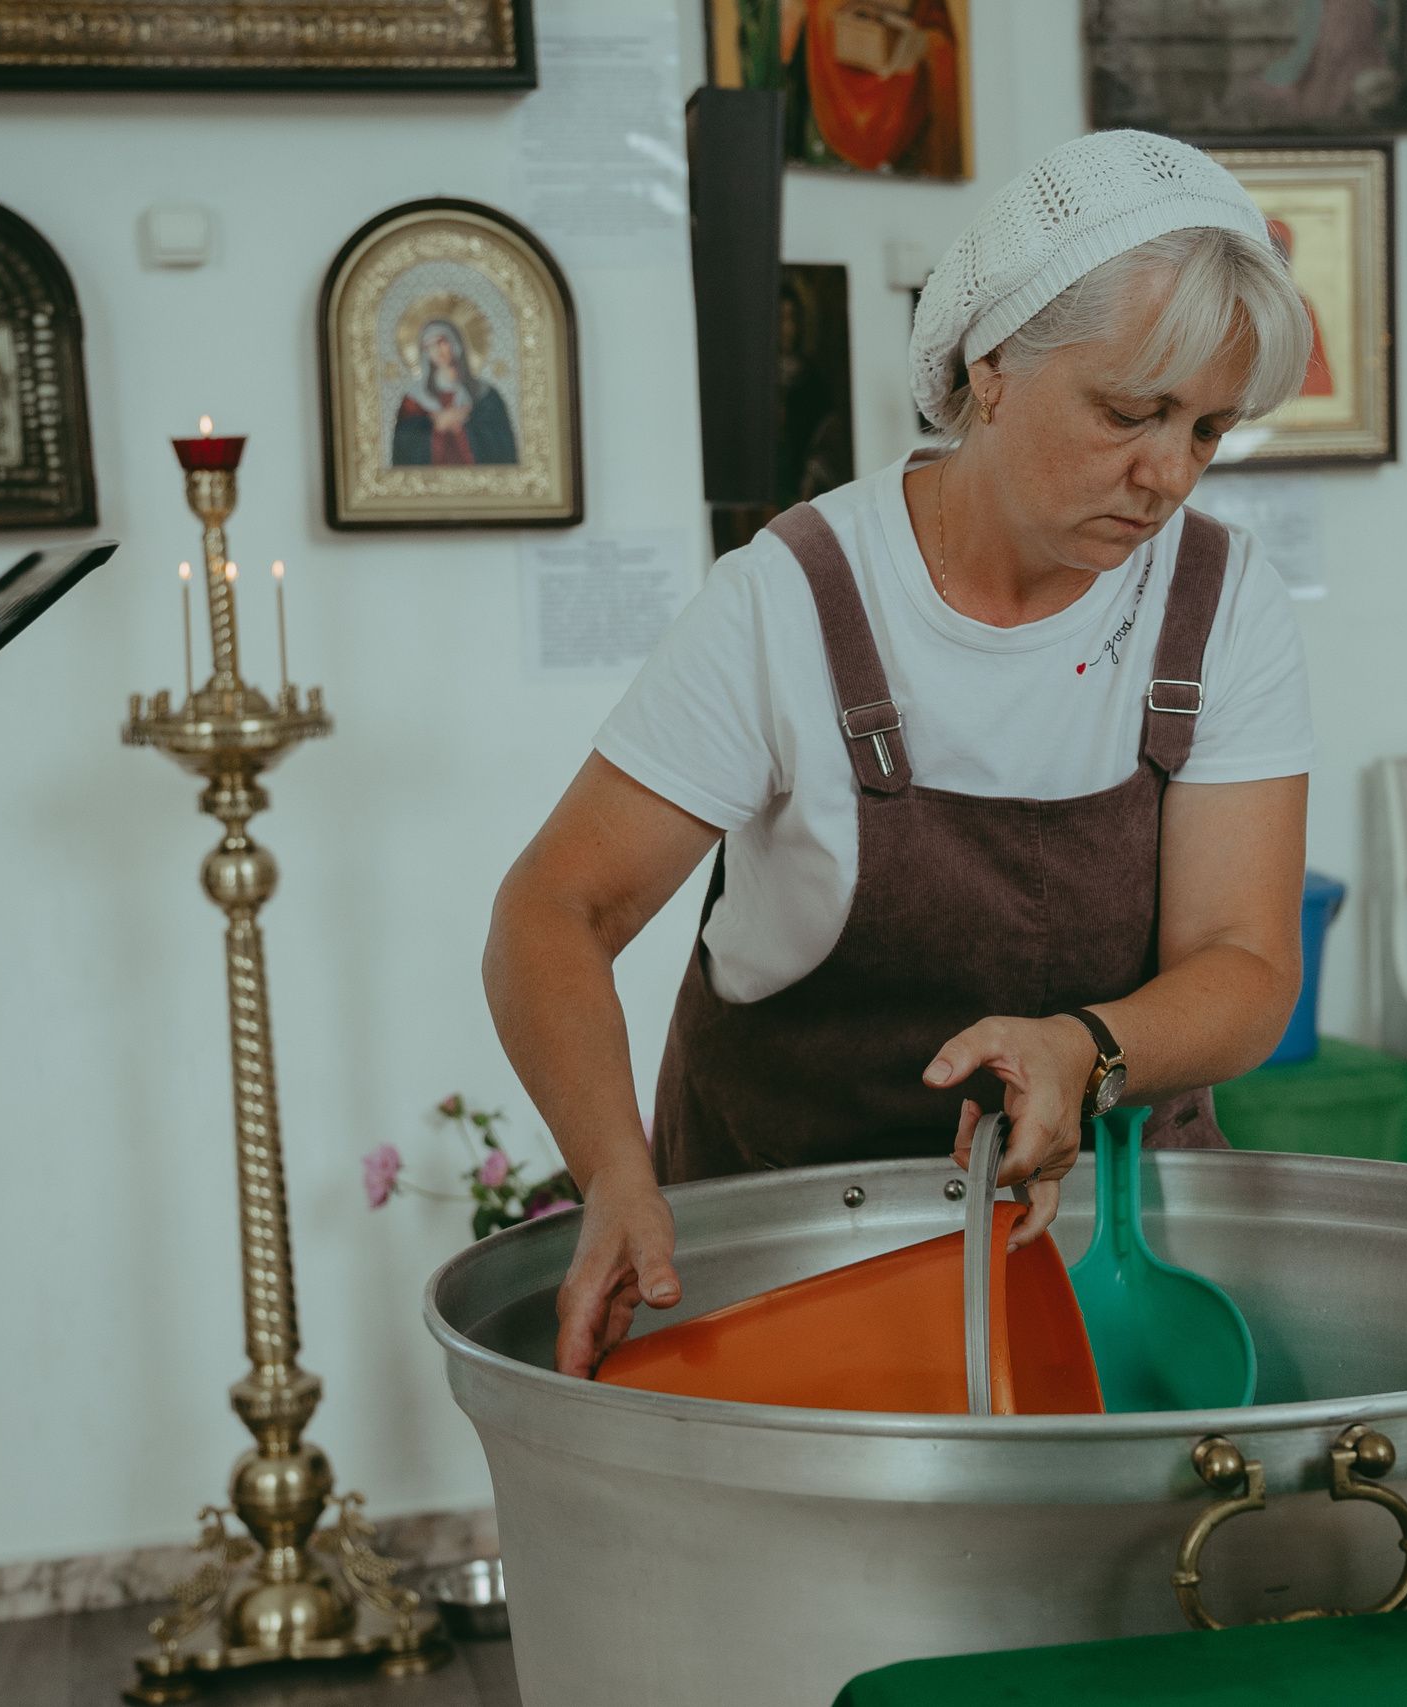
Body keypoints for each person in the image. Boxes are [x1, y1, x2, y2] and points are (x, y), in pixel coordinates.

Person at [484, 131, 1319, 1379]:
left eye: (1206, 430)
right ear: (992, 363)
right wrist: (614, 1174)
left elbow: (1245, 962)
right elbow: (554, 910)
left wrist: (1084, 1052)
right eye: (1127, 412)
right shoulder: (790, 600)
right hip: (796, 1265)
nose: (1166, 477)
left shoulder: (1219, 599)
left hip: (1103, 1253)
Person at [392, 318, 516, 466]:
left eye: (441, 342)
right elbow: (403, 451)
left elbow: (503, 448)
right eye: (429, 347)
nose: (437, 351)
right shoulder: (414, 400)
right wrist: (438, 426)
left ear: (455, 342)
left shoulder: (486, 395)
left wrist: (463, 428)